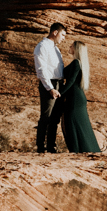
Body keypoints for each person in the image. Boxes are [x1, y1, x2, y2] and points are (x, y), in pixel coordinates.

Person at [57, 41, 100, 153]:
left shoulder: (76, 63)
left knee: (72, 125)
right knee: (82, 127)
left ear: (76, 49)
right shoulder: (79, 63)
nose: (69, 46)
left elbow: (70, 82)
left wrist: (59, 93)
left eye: (71, 46)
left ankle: (77, 150)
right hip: (78, 99)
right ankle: (88, 150)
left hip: (74, 100)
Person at [33, 21, 67, 152]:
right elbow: (41, 70)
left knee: (55, 118)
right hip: (49, 84)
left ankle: (51, 147)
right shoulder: (42, 46)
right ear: (55, 32)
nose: (63, 38)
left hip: (58, 83)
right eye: (63, 35)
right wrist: (50, 88)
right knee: (46, 117)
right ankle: (40, 147)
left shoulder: (55, 48)